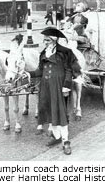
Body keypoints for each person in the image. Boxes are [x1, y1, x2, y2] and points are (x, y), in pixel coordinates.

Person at [29, 27, 81, 155]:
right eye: (44, 40)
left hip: (59, 87)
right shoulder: (43, 54)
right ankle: (57, 137)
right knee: (50, 111)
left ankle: (66, 141)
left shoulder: (64, 53)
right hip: (46, 88)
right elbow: (40, 71)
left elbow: (69, 70)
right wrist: (28, 74)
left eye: (47, 40)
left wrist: (66, 86)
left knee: (60, 112)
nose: (45, 42)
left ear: (54, 39)